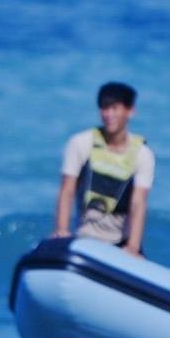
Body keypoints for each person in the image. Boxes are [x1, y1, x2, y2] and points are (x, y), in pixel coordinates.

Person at [53, 82, 154, 256]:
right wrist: (62, 230)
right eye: (104, 108)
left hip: (121, 242)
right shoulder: (80, 143)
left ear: (130, 111)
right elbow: (67, 189)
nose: (108, 115)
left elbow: (139, 202)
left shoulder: (143, 154)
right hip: (84, 238)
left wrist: (133, 247)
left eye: (115, 108)